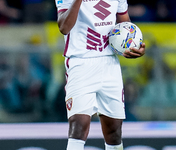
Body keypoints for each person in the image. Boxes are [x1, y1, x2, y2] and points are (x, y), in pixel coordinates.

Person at [54, 0, 145, 150]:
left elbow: (125, 24)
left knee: (114, 130)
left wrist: (133, 46)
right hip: (80, 63)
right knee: (78, 125)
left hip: (109, 63)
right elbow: (64, 27)